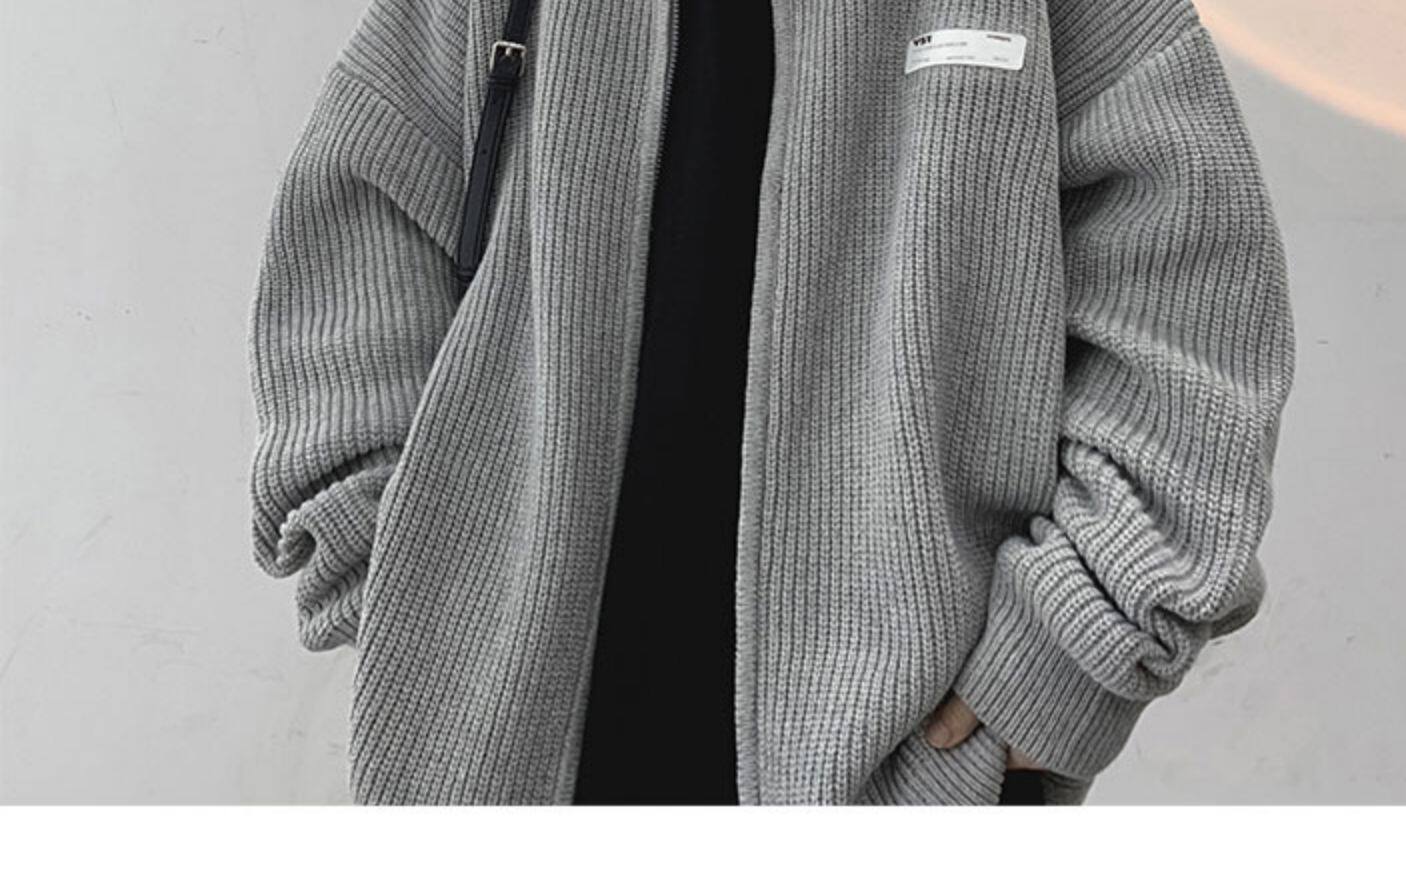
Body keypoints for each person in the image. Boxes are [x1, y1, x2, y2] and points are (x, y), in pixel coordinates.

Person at [248, 0, 1295, 806]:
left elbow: (1192, 303)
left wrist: (1060, 660)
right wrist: (408, 591)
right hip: (505, 760)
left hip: (903, 765)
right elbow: (361, 220)